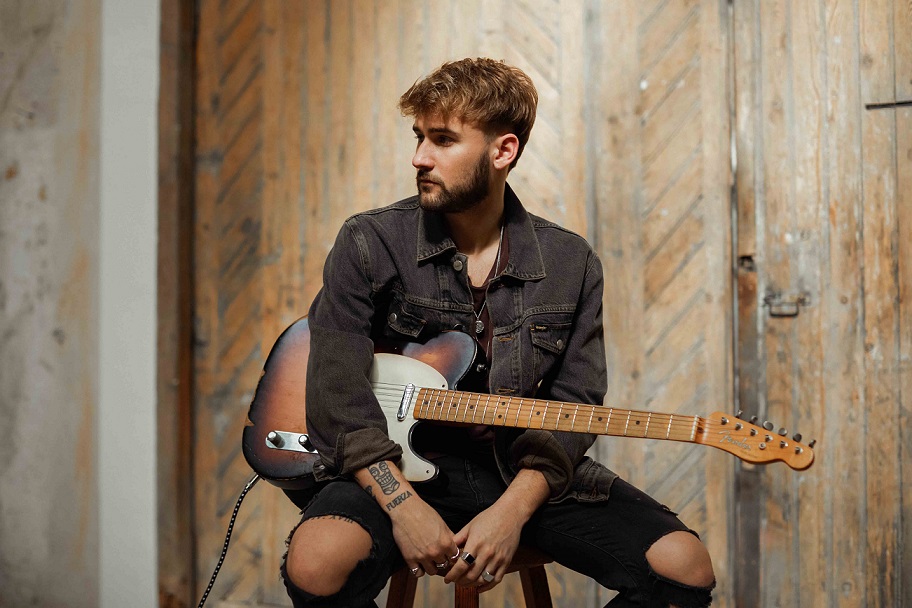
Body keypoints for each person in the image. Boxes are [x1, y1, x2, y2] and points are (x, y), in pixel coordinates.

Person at [281, 58, 716, 607]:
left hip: (519, 471)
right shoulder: (370, 242)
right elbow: (337, 395)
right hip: (390, 468)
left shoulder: (570, 262)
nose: (419, 157)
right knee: (317, 561)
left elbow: (575, 403)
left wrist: (510, 513)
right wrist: (403, 506)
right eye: (419, 137)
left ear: (503, 150)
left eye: (442, 140)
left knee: (684, 568)